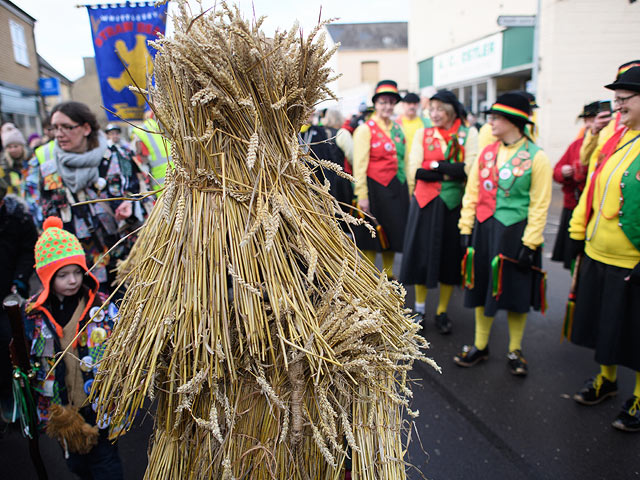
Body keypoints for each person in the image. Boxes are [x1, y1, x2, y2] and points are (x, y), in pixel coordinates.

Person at [454, 93, 552, 376]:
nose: (490, 122)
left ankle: (515, 349)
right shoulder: (487, 152)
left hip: (515, 233)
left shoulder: (538, 158)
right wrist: (465, 227)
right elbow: (472, 193)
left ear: (514, 121)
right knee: (481, 286)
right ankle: (480, 345)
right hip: (485, 230)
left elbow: (540, 204)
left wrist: (530, 243)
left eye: (495, 118)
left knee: (515, 292)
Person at [567, 65, 640, 432]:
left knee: (637, 332)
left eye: (626, 97)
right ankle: (607, 381)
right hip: (600, 252)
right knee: (606, 326)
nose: (618, 103)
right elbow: (593, 186)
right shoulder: (619, 138)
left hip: (633, 259)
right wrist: (577, 232)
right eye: (617, 98)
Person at [22, 216, 124, 477]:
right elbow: (27, 359)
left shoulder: (100, 306)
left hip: (97, 405)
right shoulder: (34, 315)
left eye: (78, 272)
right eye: (63, 275)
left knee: (106, 465)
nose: (73, 280)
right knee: (76, 464)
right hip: (64, 411)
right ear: (46, 277)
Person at [33, 101, 144, 289]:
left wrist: (131, 205)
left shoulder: (116, 157)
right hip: (77, 272)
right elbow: (47, 217)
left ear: (86, 128)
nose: (59, 134)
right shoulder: (48, 170)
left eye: (67, 127)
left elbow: (139, 193)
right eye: (55, 128)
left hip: (122, 261)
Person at [400, 90, 479, 333]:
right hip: (425, 203)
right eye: (430, 109)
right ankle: (420, 308)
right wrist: (449, 170)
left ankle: (442, 311)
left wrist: (434, 166)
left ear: (451, 110)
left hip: (453, 205)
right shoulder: (423, 134)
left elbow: (469, 168)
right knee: (421, 259)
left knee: (449, 260)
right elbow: (416, 171)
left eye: (439, 109)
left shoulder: (468, 133)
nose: (433, 114)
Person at [352, 80, 409, 277]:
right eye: (383, 102)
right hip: (374, 188)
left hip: (396, 189)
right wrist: (362, 195)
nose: (387, 106)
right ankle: (368, 277)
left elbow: (404, 161)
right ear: (375, 104)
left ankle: (389, 276)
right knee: (370, 234)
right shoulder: (365, 130)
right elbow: (359, 165)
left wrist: (407, 189)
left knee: (392, 234)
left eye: (391, 102)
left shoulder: (398, 130)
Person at [0, 177, 38, 423]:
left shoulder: (18, 216)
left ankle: (20, 396)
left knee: (12, 342)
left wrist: (20, 280)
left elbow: (28, 249)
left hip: (8, 292)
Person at [551, 102, 598, 269]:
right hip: (573, 207)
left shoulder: (608, 144)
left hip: (595, 211)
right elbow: (556, 171)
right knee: (573, 260)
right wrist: (562, 172)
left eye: (592, 119)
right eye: (586, 120)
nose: (588, 124)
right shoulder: (576, 145)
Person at [131, 111, 171, 190]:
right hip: (179, 178)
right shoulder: (166, 126)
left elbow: (140, 160)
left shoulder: (140, 131)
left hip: (160, 184)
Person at [397, 92, 424, 178]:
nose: (412, 106)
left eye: (415, 104)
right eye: (409, 104)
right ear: (403, 105)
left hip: (421, 166)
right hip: (402, 166)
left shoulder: (426, 123)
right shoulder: (396, 124)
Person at [1, 123, 29, 195]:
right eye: (9, 147)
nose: (13, 150)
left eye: (16, 146)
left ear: (22, 146)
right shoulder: (3, 167)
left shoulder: (31, 161)